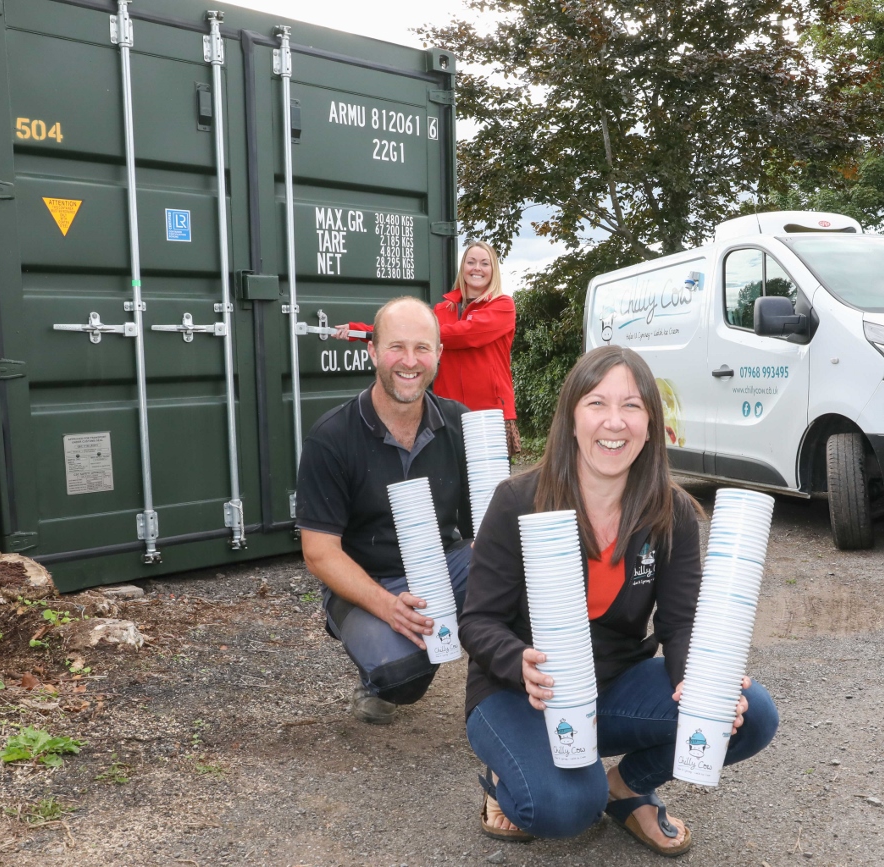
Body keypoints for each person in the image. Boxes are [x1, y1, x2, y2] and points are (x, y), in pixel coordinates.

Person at [459, 345, 779, 855]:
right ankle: (508, 776)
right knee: (564, 807)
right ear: (571, 419)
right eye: (597, 403)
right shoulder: (518, 500)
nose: (615, 422)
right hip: (520, 692)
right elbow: (477, 622)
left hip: (612, 687)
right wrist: (518, 663)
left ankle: (626, 788)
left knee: (749, 713)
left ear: (650, 426)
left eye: (632, 406)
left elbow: (680, 623)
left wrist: (703, 685)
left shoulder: (670, 511)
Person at [297, 296, 473, 725]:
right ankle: (376, 673)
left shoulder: (460, 424)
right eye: (396, 347)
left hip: (442, 569)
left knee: (520, 579)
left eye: (421, 348)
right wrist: (388, 606)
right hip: (366, 580)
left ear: (438, 354)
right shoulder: (332, 436)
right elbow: (319, 553)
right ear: (373, 351)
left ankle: (500, 699)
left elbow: (487, 530)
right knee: (401, 677)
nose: (409, 361)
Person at [334, 241, 519, 455]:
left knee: (487, 476)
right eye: (471, 262)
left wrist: (425, 335)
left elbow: (465, 334)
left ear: (493, 270)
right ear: (463, 267)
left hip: (489, 413)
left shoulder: (503, 305)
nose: (477, 268)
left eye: (484, 263)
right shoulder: (443, 309)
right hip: (447, 412)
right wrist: (357, 331)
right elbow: (403, 328)